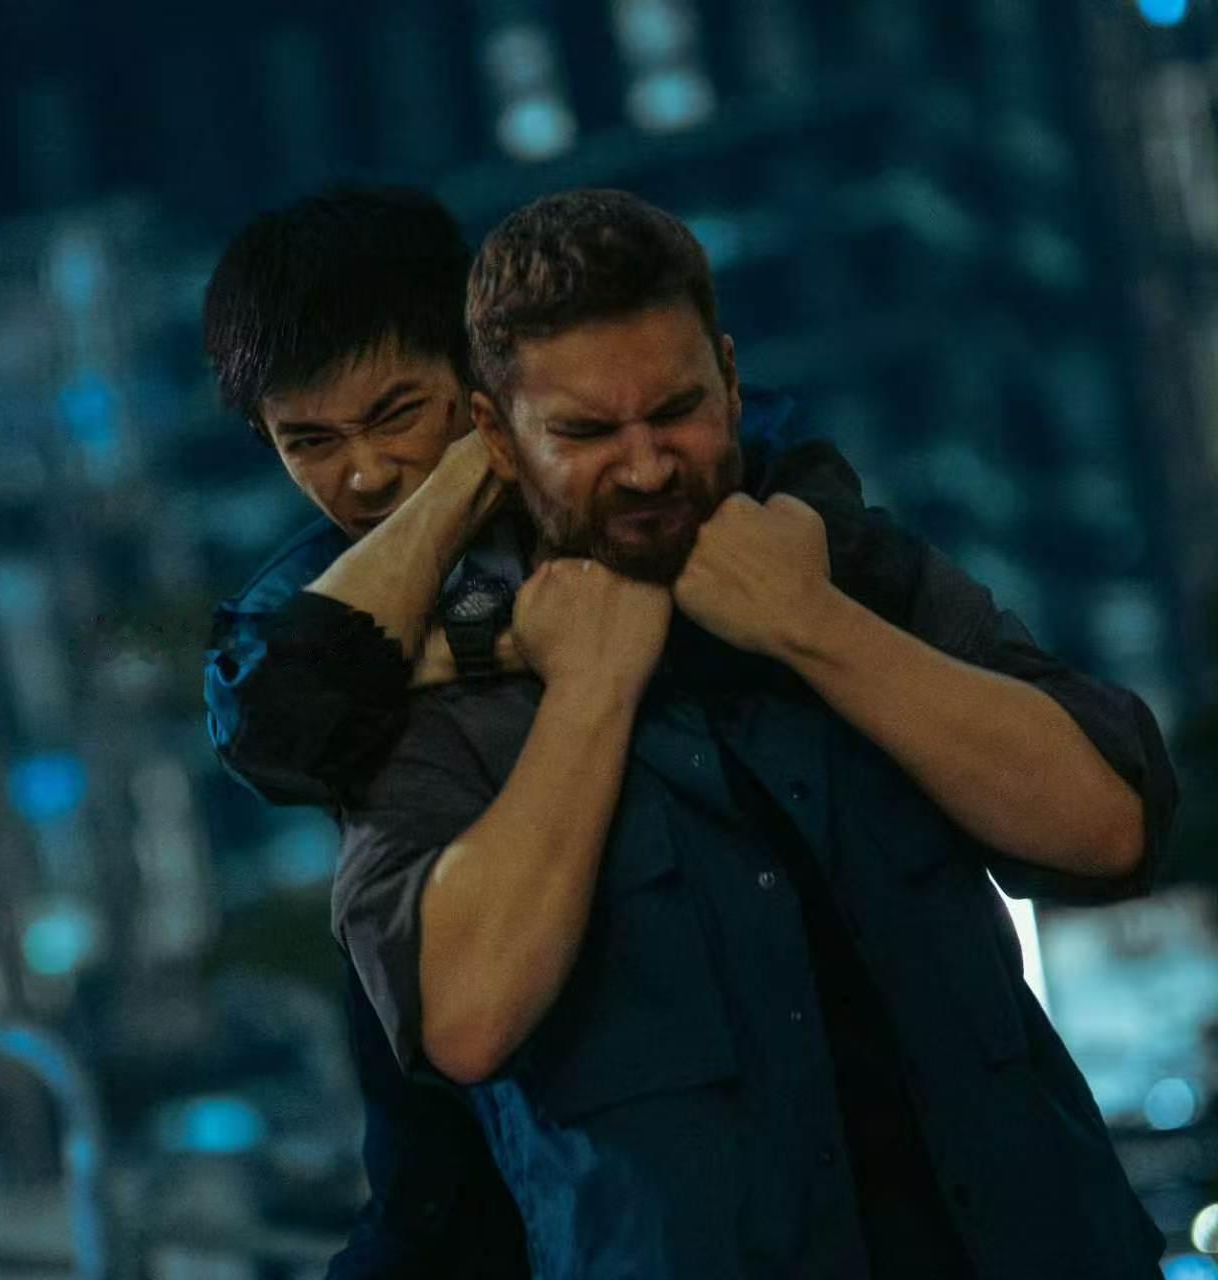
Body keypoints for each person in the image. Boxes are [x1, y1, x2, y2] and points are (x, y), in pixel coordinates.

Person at [330, 187, 1176, 1279]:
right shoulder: (436, 699)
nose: (646, 465)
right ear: (496, 436)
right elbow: (464, 1015)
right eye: (586, 432)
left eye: (675, 411)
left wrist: (812, 626)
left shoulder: (854, 567)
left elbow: (1109, 825)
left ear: (730, 381)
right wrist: (589, 690)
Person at [200, 186, 830, 1277]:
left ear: (475, 364)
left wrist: (433, 638)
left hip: (708, 1100)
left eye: (399, 414)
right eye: (310, 441)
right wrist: (461, 481)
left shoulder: (655, 460)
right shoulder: (308, 593)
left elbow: (775, 538)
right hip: (458, 1147)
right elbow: (273, 721)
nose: (362, 473)